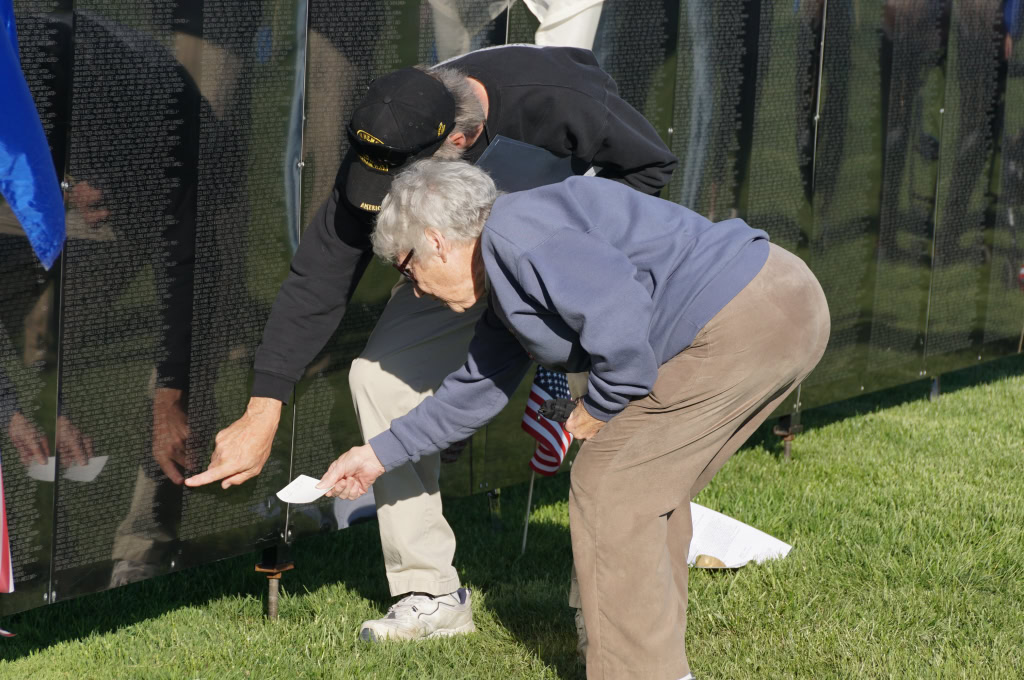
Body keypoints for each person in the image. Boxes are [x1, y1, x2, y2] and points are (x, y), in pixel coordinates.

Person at [184, 44, 679, 640]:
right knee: (378, 375)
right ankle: (430, 592)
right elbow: (319, 277)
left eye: (397, 182)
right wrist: (263, 409)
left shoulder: (557, 100)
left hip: (571, 266)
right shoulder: (394, 127)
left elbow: (648, 167)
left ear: (460, 144)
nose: (382, 189)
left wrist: (562, 279)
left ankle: (599, 609)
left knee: (610, 413)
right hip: (453, 266)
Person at [316, 159, 830, 678]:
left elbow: (620, 309)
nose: (416, 289)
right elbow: (476, 387)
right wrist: (377, 454)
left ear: (436, 242)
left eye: (406, 270)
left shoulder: (517, 232)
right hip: (774, 304)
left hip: (743, 315)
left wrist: (600, 405)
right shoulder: (505, 271)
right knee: (651, 492)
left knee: (611, 488)